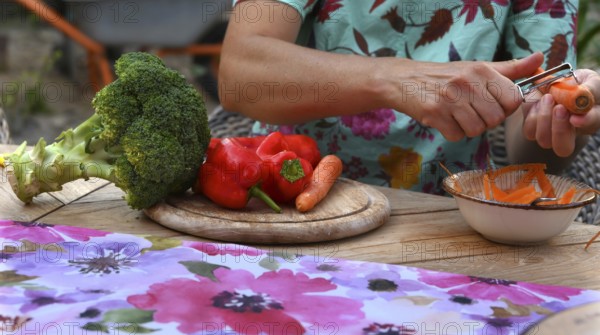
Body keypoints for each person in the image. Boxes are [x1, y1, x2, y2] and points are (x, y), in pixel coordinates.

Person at [218, 0, 600, 195]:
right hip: (283, 199)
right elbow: (241, 73)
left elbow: (529, 152)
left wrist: (564, 119)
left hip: (446, 221)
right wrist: (394, 79)